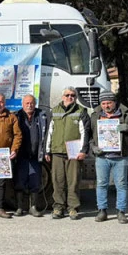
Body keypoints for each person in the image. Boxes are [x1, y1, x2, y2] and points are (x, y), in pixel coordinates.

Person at [44, 86, 92, 220]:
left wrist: (83, 150)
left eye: (72, 95)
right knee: (57, 181)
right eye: (67, 95)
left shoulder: (81, 111)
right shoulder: (55, 111)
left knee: (73, 181)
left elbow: (85, 133)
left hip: (74, 153)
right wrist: (47, 150)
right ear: (62, 97)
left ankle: (73, 208)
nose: (70, 97)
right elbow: (49, 132)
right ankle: (58, 207)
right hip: (57, 152)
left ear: (76, 98)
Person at [89, 91, 128, 224]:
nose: (106, 106)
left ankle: (121, 211)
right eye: (103, 103)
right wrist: (93, 147)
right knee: (101, 184)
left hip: (120, 156)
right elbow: (90, 135)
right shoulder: (95, 115)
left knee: (121, 185)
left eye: (109, 102)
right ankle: (102, 210)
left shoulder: (127, 114)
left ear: (114, 102)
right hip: (102, 156)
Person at [13, 94, 49, 217]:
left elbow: (47, 135)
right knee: (20, 181)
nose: (29, 105)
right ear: (22, 105)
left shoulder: (42, 116)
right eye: (27, 103)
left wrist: (46, 151)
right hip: (21, 155)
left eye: (32, 103)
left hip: (35, 155)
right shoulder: (16, 116)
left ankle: (33, 207)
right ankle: (19, 207)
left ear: (35, 104)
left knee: (35, 181)